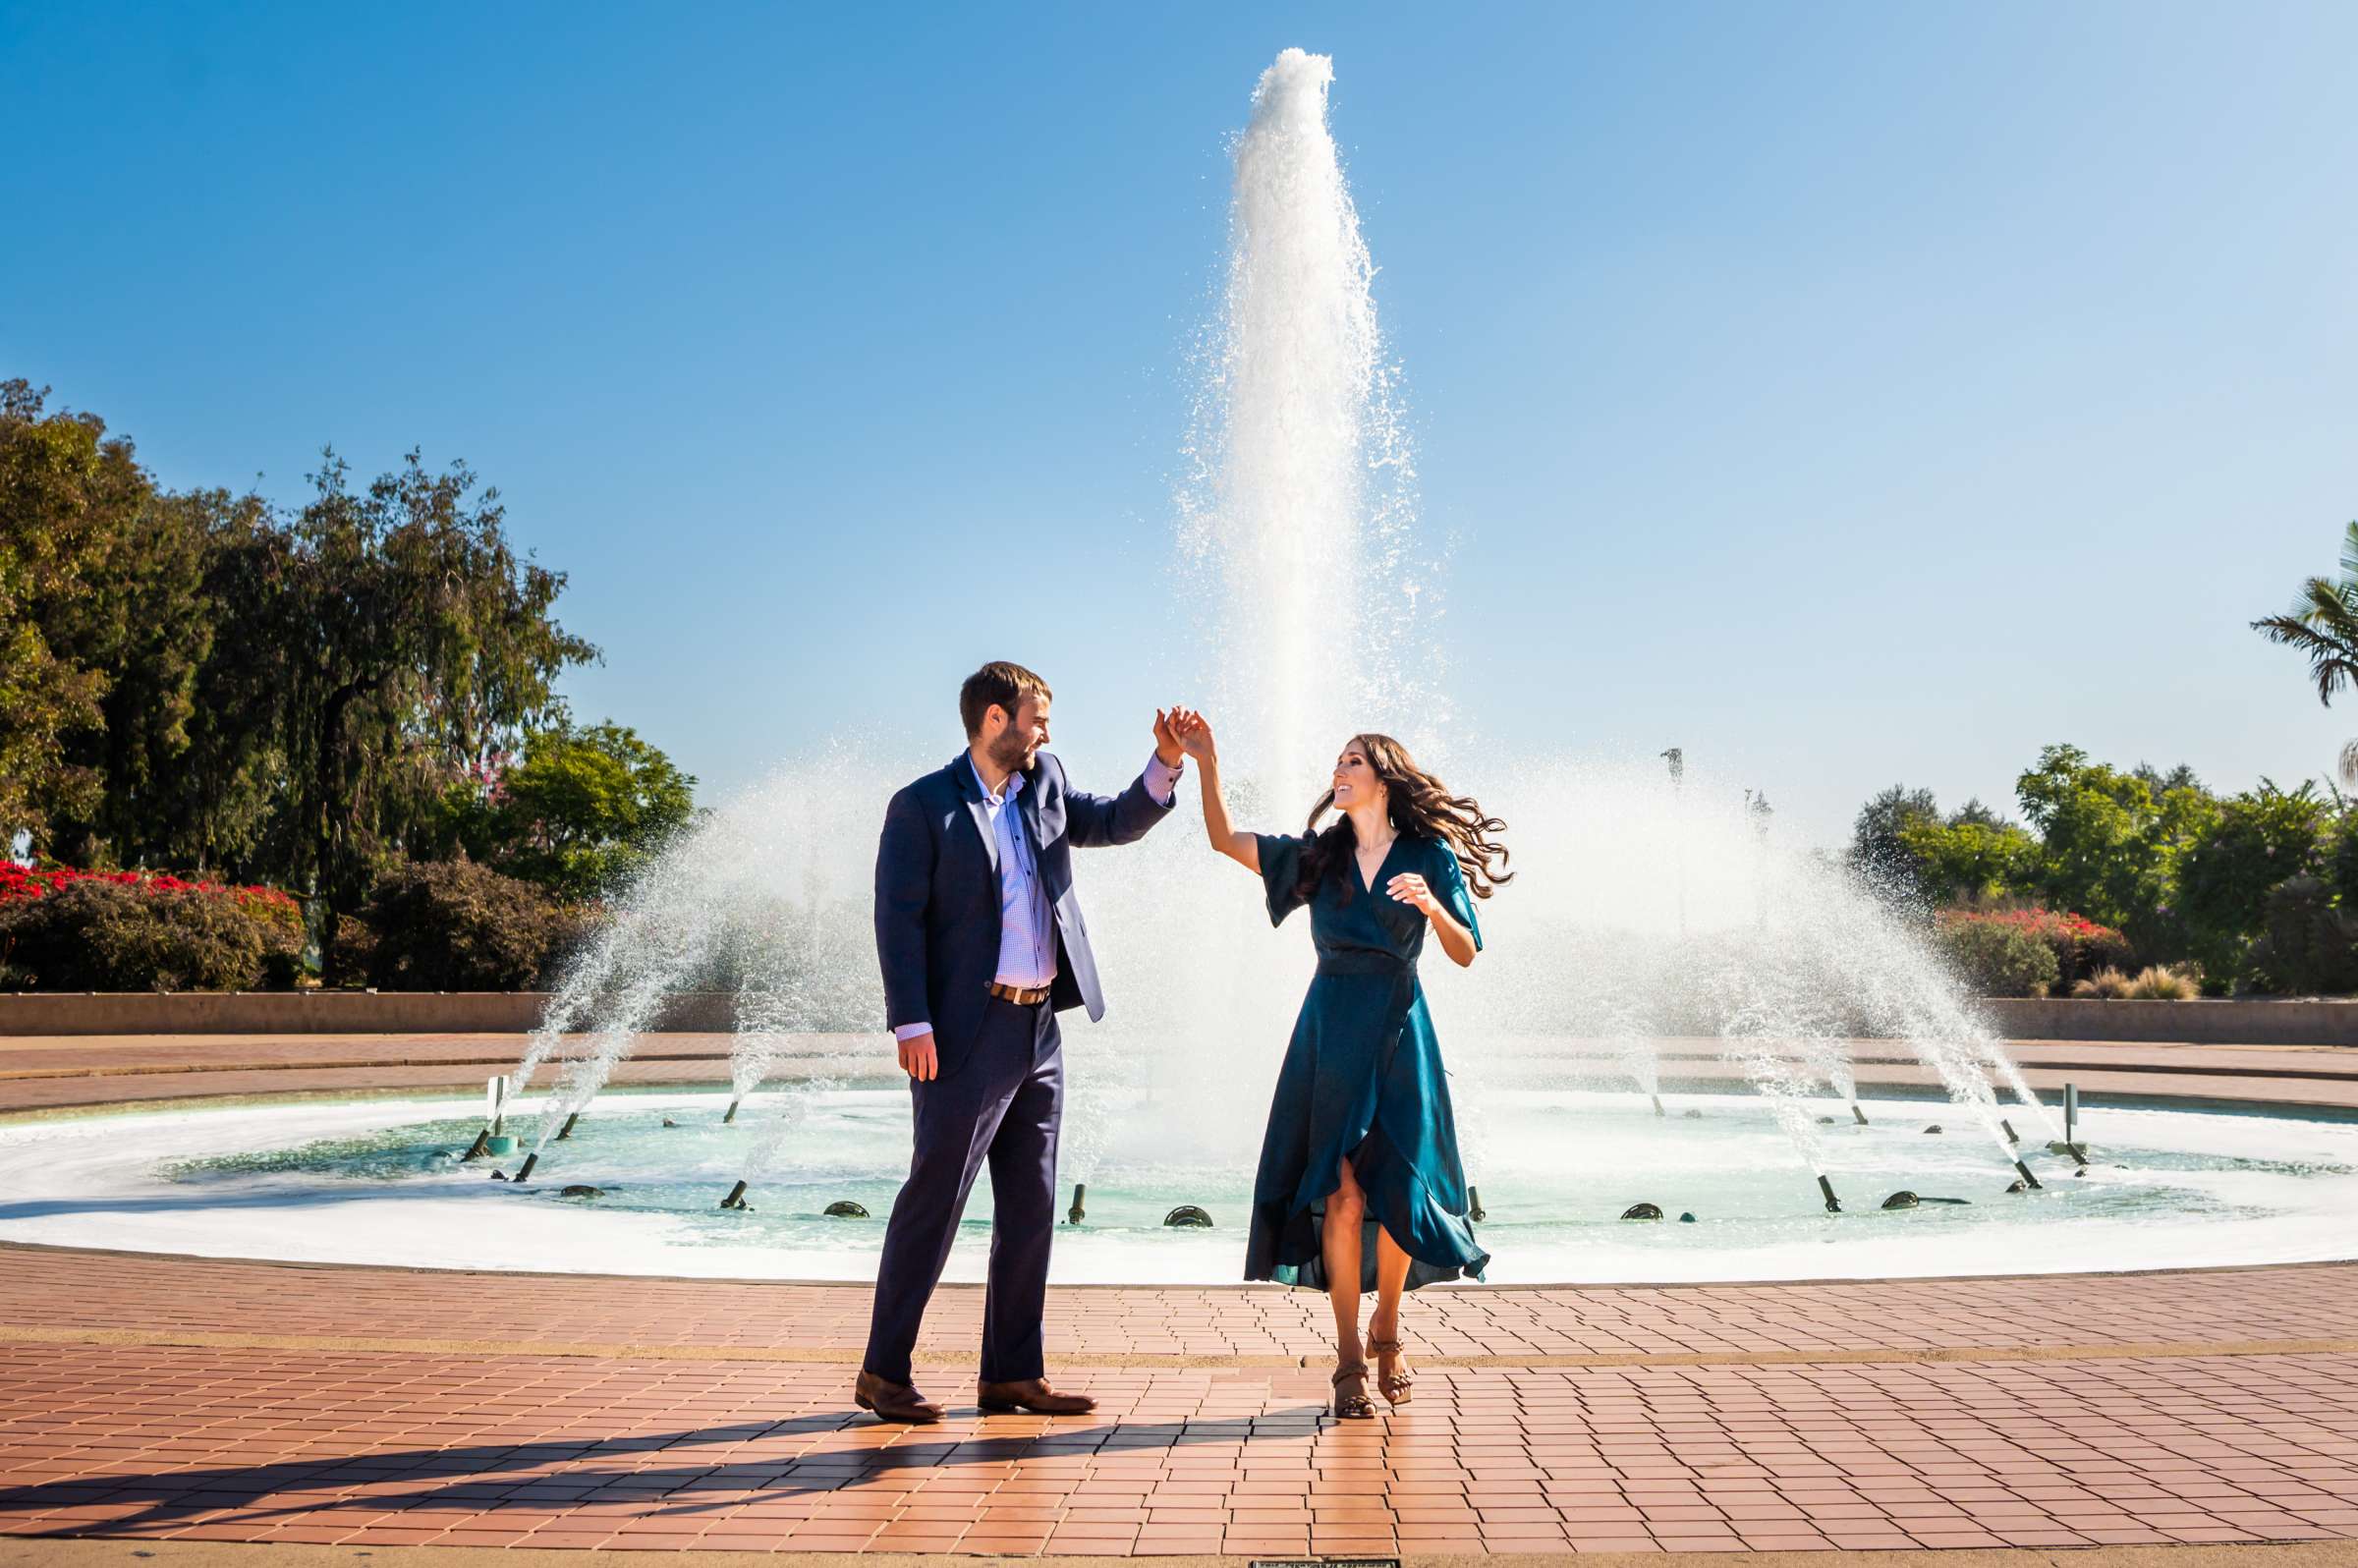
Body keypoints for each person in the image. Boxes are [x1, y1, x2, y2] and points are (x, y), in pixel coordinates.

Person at [856, 660, 1194, 1424]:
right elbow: (896, 920)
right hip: (961, 1033)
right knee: (935, 1200)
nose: (1047, 731)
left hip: (1040, 1026)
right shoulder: (921, 807)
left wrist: (1167, 762)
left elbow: (1110, 820)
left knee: (1032, 1205)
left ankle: (1011, 1373)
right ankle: (883, 1371)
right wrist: (911, 1021)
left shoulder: (1045, 783)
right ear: (995, 721)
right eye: (1037, 718)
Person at [1170, 713, 1507, 1419]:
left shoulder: (1427, 854)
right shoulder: (1318, 859)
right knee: (1344, 1194)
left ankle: (1390, 1326)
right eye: (1338, 762)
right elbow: (1225, 841)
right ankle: (1351, 1355)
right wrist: (1206, 761)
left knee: (1395, 1195)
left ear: (1383, 775)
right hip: (1329, 1034)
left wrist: (1430, 907)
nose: (1340, 770)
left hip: (1401, 1033)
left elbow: (1467, 950)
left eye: (1353, 760)